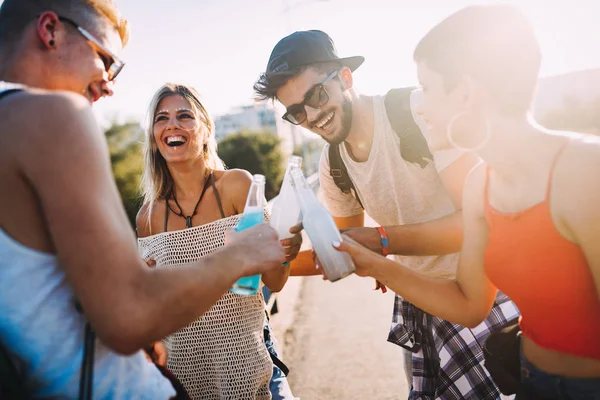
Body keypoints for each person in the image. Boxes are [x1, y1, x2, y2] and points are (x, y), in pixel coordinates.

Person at [0, 1, 286, 398]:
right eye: (107, 61)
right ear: (50, 31)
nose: (109, 84)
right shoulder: (53, 114)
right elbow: (129, 317)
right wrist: (241, 254)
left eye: (184, 116)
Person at [335, 4, 600, 400]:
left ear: (467, 92)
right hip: (531, 383)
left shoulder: (583, 171)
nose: (419, 105)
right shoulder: (481, 185)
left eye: (426, 87)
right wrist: (375, 264)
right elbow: (469, 303)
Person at [254, 29, 519, 399]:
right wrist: (262, 258)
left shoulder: (416, 114)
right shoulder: (334, 166)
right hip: (422, 308)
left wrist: (383, 241)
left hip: (488, 299)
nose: (312, 115)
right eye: (297, 111)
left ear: (345, 78)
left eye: (316, 95)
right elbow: (342, 253)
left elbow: (482, 221)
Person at [136, 82, 301, 400]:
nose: (172, 124)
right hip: (183, 374)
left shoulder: (238, 186)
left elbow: (275, 281)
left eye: (185, 115)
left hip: (247, 364)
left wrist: (284, 250)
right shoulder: (147, 217)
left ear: (206, 128)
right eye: (162, 118)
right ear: (155, 139)